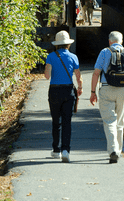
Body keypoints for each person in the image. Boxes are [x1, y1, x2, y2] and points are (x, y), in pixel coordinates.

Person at [89, 31, 124, 164]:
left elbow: (96, 73)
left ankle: (113, 150)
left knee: (109, 121)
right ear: (121, 42)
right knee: (120, 121)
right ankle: (119, 151)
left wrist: (93, 92)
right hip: (123, 90)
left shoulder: (104, 52)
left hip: (106, 88)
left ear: (110, 41)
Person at [44, 30, 83, 163]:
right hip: (68, 91)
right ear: (68, 44)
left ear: (56, 44)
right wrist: (80, 88)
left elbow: (47, 76)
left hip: (54, 91)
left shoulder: (50, 56)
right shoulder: (73, 57)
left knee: (56, 121)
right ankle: (65, 150)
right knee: (67, 121)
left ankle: (56, 150)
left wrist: (50, 68)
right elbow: (78, 75)